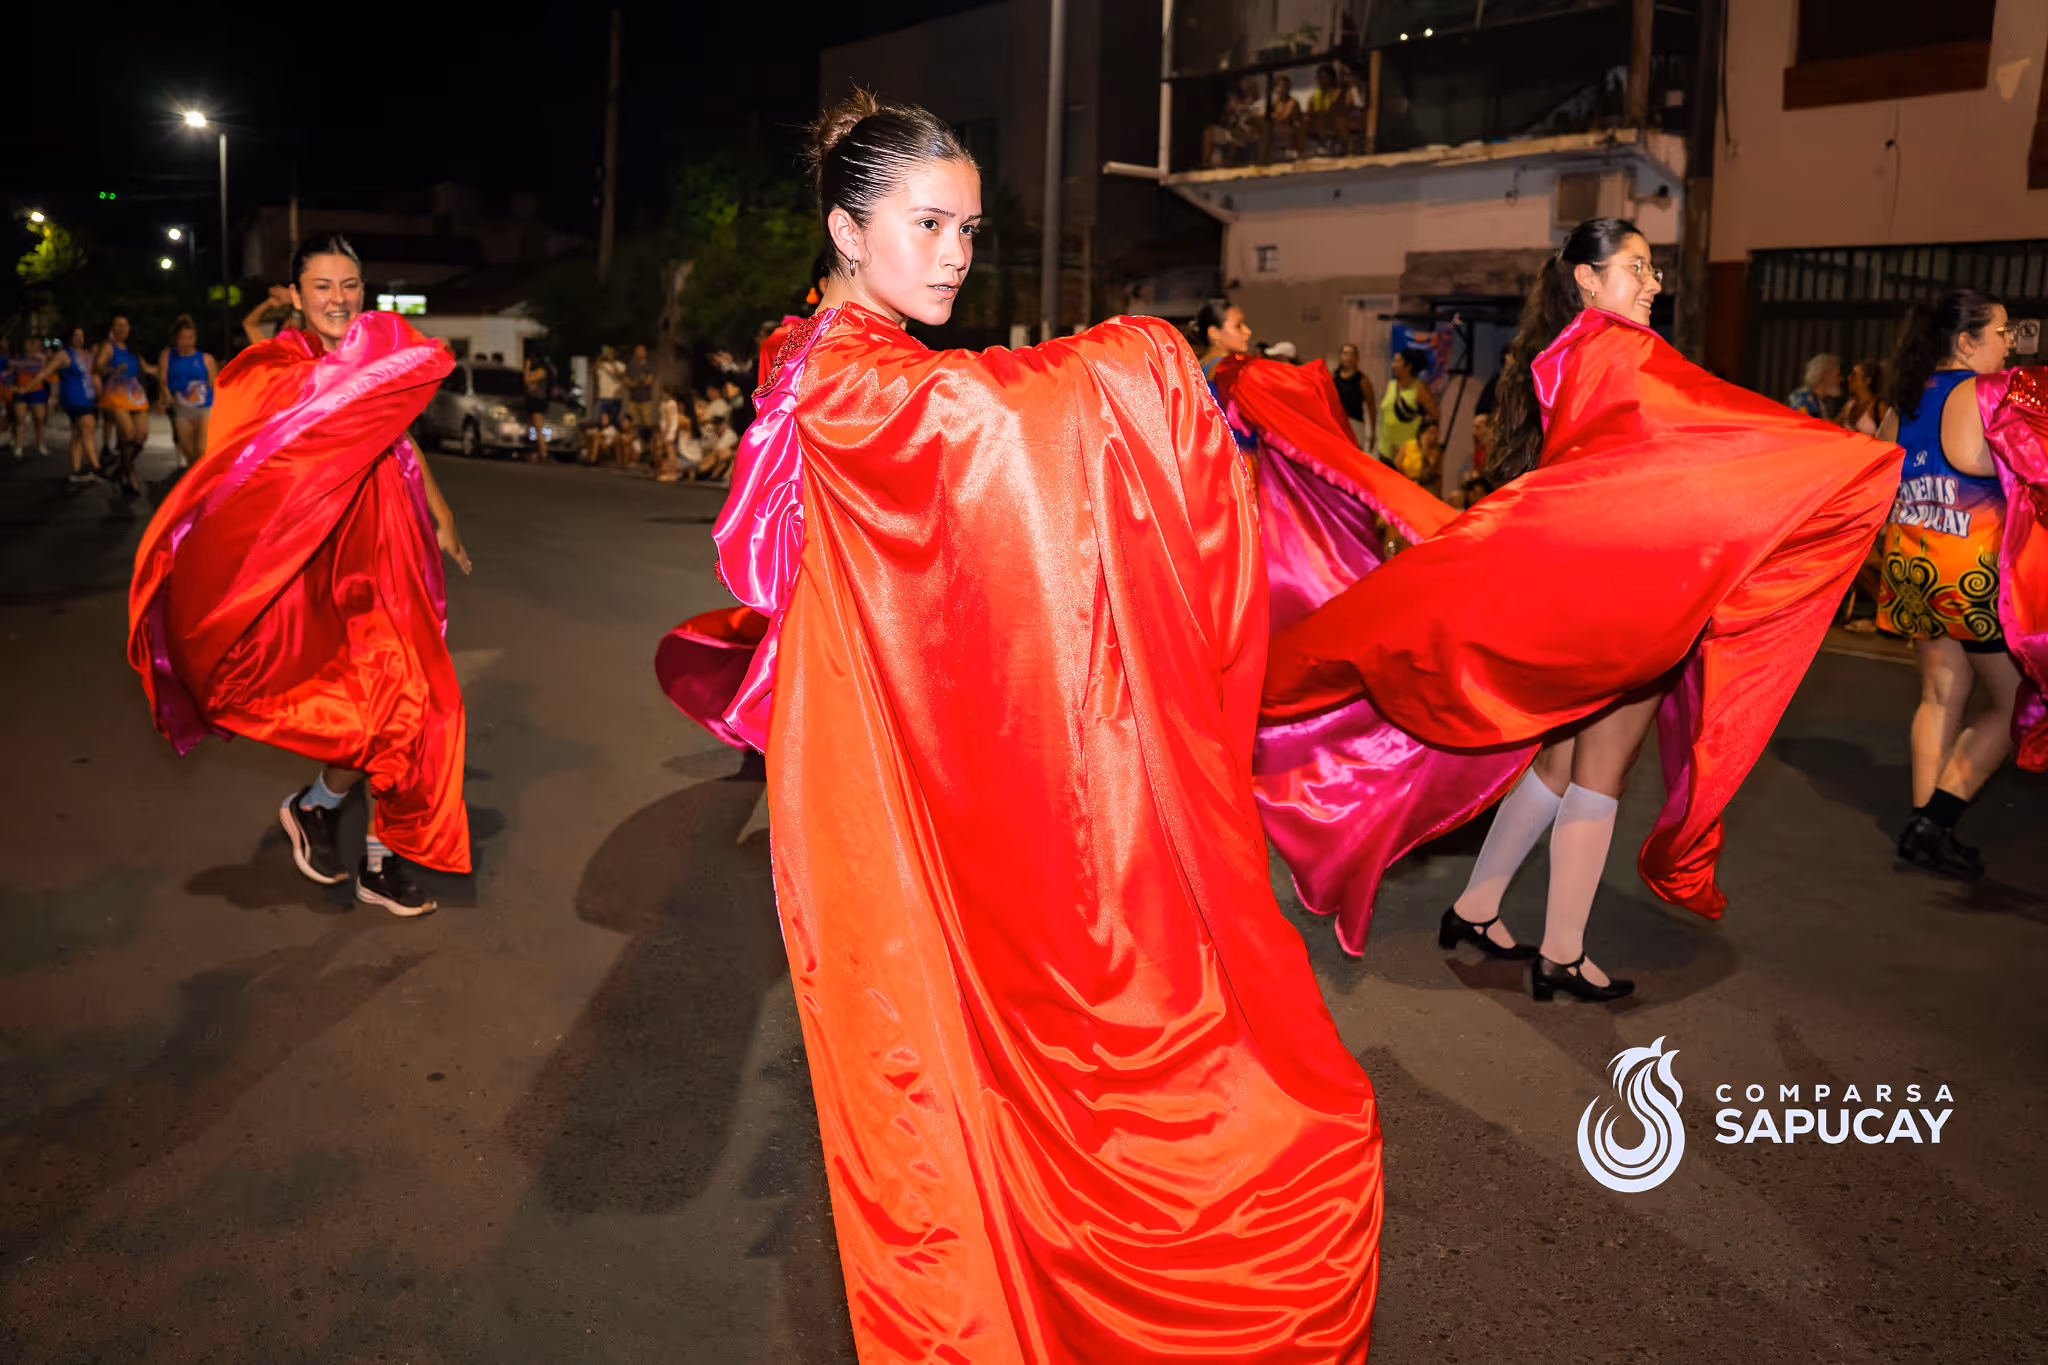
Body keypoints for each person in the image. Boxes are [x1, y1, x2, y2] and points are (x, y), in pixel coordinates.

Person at [659, 89, 1383, 1359]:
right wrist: (1147, 359)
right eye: (927, 223)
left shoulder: (814, 354)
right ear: (844, 229)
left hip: (887, 775)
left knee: (959, 1057)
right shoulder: (854, 382)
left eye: (968, 229)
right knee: (994, 1049)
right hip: (890, 796)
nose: (953, 252)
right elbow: (990, 425)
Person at [1256, 217, 1900, 1000]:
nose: (1653, 281)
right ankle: (1560, 951)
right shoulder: (1627, 354)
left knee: (1562, 759)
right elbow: (1727, 431)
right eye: (1637, 266)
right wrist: (1845, 458)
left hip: (1590, 588)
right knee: (1601, 765)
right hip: (1627, 599)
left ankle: (1478, 903)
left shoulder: (1572, 355)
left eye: (1654, 268)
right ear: (1588, 281)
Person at [128, 235, 472, 917]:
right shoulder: (274, 364)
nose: (339, 298)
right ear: (294, 294)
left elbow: (394, 435)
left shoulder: (372, 355)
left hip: (385, 540)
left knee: (414, 702)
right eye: (322, 285)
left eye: (350, 285)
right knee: (375, 703)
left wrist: (440, 511)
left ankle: (355, 836)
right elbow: (246, 466)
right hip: (318, 555)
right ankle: (340, 822)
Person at [1874, 290, 2022, 878]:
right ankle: (1935, 819)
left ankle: (1923, 826)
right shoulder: (1981, 397)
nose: (2009, 345)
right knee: (2021, 706)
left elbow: (1878, 490)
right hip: (1975, 573)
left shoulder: (1902, 402)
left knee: (1940, 696)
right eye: (2002, 333)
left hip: (1914, 567)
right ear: (1966, 341)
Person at [95, 316, 154, 496]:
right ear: (112, 329)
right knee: (128, 434)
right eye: (118, 326)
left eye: (125, 325)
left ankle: (121, 468)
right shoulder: (107, 347)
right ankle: (128, 473)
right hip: (116, 394)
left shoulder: (133, 350)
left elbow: (148, 369)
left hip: (135, 395)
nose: (122, 329)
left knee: (141, 436)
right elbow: (97, 367)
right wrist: (112, 370)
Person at [37, 327, 100, 485]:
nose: (80, 338)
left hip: (88, 398)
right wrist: (30, 385)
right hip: (75, 399)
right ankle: (96, 466)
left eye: (82, 335)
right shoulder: (64, 354)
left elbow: (94, 375)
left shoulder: (86, 355)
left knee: (77, 434)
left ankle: (77, 470)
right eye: (76, 335)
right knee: (86, 430)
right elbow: (47, 371)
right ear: (69, 338)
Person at [155, 315, 218, 472]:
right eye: (183, 338)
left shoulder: (206, 359)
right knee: (189, 454)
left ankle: (206, 488)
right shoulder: (168, 355)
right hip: (182, 409)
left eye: (190, 338)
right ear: (176, 339)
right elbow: (163, 379)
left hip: (204, 408)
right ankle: (196, 486)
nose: (187, 342)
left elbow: (215, 385)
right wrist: (166, 395)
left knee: (202, 450)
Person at [1375, 345, 1438, 473]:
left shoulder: (1419, 389)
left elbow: (1435, 418)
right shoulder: (1389, 386)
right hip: (1385, 450)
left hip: (1407, 454)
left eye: (1397, 361)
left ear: (1408, 366)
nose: (1393, 365)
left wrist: (1427, 446)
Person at [9, 335, 51, 459]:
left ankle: (41, 444)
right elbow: (12, 369)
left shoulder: (41, 358)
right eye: (27, 343)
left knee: (39, 418)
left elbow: (40, 370)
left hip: (36, 390)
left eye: (33, 344)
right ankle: (18, 446)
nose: (29, 346)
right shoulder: (17, 357)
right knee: (19, 419)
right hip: (20, 390)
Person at [1333, 341, 1376, 448]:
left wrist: (1372, 434)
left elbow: (1372, 408)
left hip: (1355, 427)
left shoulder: (1363, 381)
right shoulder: (1334, 377)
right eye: (1346, 354)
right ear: (1340, 357)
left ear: (1357, 358)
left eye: (1352, 355)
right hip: (1337, 426)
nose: (1349, 358)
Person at [1787, 352, 1844, 421]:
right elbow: (1804, 429)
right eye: (1837, 375)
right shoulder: (1800, 399)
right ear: (1824, 375)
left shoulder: (1822, 402)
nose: (1841, 380)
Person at [522, 351, 552, 463]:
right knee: (534, 428)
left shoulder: (541, 371)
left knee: (539, 428)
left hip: (538, 401)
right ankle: (537, 451)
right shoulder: (537, 371)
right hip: (532, 400)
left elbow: (527, 380)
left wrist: (527, 368)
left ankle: (543, 453)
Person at [624, 343, 655, 435]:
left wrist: (635, 383)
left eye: (641, 351)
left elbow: (649, 382)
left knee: (647, 423)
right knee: (634, 424)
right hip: (633, 400)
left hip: (646, 400)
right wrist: (639, 382)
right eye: (638, 351)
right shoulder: (631, 366)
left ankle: (648, 445)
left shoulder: (649, 366)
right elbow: (627, 383)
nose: (639, 353)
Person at [591, 344, 625, 426]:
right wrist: (599, 357)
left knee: (613, 422)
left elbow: (620, 376)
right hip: (602, 398)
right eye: (607, 352)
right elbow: (593, 372)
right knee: (599, 422)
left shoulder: (620, 365)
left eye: (611, 352)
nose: (608, 354)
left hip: (615, 398)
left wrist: (612, 363)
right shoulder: (601, 365)